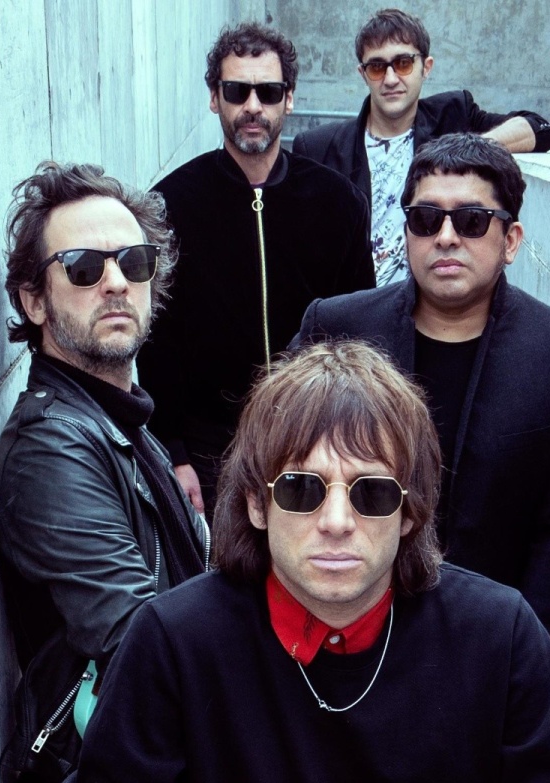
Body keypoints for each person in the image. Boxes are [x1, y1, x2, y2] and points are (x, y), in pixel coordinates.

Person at [29, 341, 550, 783]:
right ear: (256, 503)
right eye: (302, 489)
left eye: (372, 492)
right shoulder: (177, 643)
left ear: (410, 511)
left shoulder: (496, 637)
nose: (338, 522)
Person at [292, 134, 550, 648]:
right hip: (341, 629)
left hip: (484, 641)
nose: (447, 237)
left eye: (472, 220)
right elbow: (277, 466)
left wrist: (526, 651)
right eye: (426, 219)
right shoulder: (337, 326)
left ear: (511, 240)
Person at [0, 162, 208, 783]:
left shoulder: (119, 417)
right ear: (34, 301)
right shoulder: (51, 446)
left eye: (133, 263)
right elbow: (135, 640)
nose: (116, 283)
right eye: (84, 268)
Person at [137, 22, 375, 518]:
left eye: (267, 92)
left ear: (288, 99)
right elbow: (157, 339)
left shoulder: (338, 202)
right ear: (214, 98)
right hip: (208, 448)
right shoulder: (169, 205)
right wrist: (174, 453)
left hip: (313, 439)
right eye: (236, 91)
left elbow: (360, 330)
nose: (252, 106)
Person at [292, 8, 550, 285]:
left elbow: (539, 128)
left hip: (434, 298)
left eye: (403, 63)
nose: (390, 79)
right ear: (363, 73)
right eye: (377, 67)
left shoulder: (453, 114)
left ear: (426, 67)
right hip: (353, 300)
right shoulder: (318, 147)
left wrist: (467, 149)